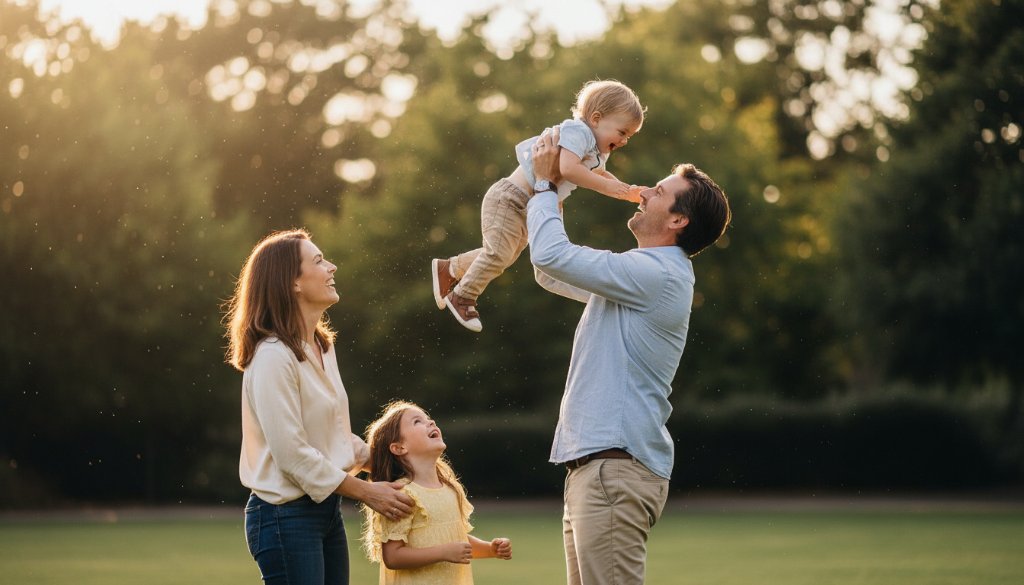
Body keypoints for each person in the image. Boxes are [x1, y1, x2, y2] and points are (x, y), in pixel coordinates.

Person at [526, 129, 731, 585]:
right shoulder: (643, 274)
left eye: (658, 191)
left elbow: (552, 256)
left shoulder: (656, 274)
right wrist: (553, 194)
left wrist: (542, 185)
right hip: (598, 470)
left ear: (678, 219)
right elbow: (549, 271)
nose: (643, 192)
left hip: (613, 470)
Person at [225, 229, 415, 585]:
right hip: (284, 517)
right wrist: (367, 491)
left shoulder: (322, 347)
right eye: (318, 261)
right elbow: (292, 455)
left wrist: (399, 465)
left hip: (326, 511)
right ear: (292, 283)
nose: (332, 267)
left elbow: (335, 439)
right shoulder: (272, 357)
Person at [431, 79, 646, 332]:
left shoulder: (598, 150)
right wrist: (611, 188)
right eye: (622, 132)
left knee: (505, 254)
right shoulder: (578, 132)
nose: (624, 141)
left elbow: (598, 174)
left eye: (629, 136)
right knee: (499, 253)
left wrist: (626, 190)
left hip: (532, 204)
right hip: (511, 198)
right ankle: (463, 295)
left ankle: (450, 268)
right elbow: (569, 169)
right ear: (596, 118)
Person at [362, 400, 512, 585]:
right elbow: (393, 557)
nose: (431, 422)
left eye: (428, 419)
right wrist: (443, 553)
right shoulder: (401, 494)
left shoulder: (450, 488)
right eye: (417, 421)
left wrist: (489, 549)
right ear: (399, 447)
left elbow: (455, 540)